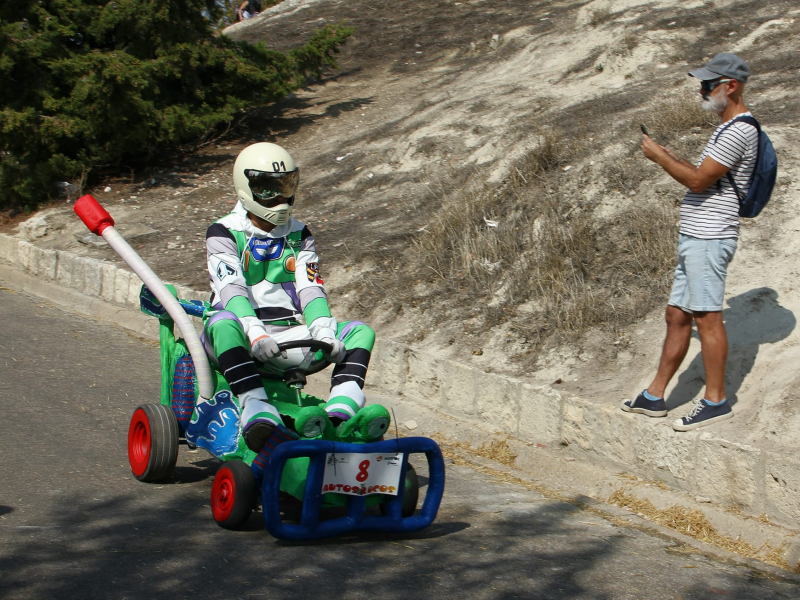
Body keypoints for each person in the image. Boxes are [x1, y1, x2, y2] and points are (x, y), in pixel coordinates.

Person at [203, 142, 376, 454]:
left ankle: (340, 413)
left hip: (288, 333)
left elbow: (310, 288)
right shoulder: (223, 232)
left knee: (361, 332)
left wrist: (324, 330)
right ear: (247, 187)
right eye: (268, 190)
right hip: (241, 336)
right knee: (223, 323)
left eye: (285, 187)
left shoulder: (299, 234)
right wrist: (254, 331)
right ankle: (256, 411)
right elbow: (231, 289)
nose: (280, 199)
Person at [622, 53, 759, 431]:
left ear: (730, 87)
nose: (701, 91)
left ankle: (716, 400)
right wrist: (671, 156)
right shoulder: (726, 127)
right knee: (677, 314)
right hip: (696, 235)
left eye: (707, 84)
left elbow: (698, 182)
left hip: (709, 237)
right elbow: (705, 175)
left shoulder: (739, 130)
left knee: (707, 318)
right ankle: (654, 395)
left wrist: (659, 160)